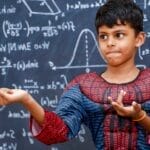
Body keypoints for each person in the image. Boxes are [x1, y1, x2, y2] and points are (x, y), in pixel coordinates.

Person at [0, 0, 150, 149]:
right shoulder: (83, 87)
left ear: (139, 38)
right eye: (103, 36)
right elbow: (58, 131)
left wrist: (140, 117)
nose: (109, 42)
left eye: (119, 35)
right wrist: (26, 99)